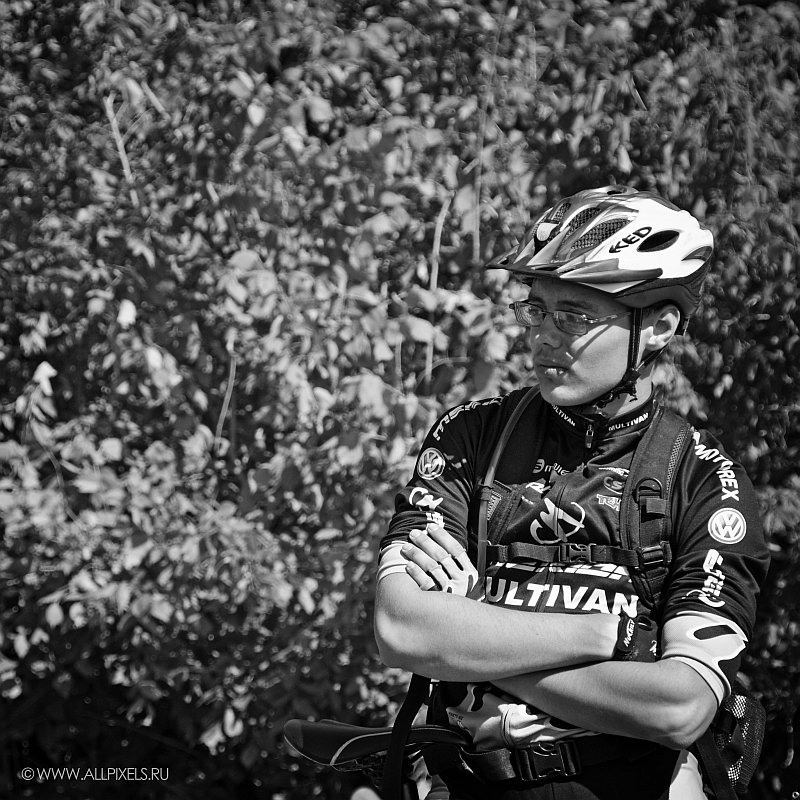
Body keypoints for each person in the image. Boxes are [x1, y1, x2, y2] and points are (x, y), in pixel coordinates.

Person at [373, 186, 770, 800]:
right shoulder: (469, 438)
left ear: (659, 326)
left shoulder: (703, 481)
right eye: (537, 309)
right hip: (473, 783)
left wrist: (474, 640)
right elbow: (402, 629)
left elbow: (678, 709)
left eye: (575, 317)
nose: (543, 336)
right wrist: (606, 636)